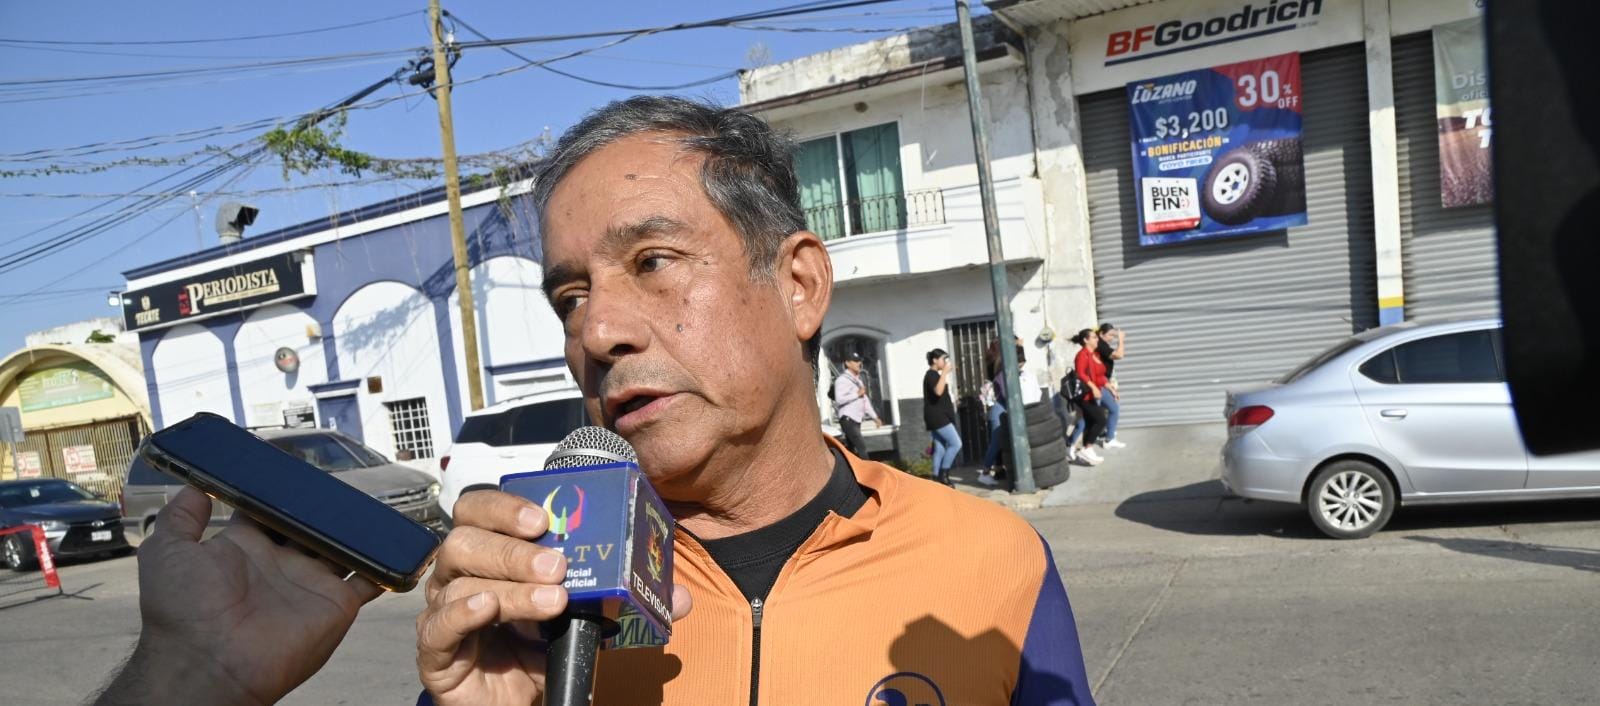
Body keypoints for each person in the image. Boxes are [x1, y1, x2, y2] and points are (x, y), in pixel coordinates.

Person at [91, 96, 1095, 706]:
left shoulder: (992, 562)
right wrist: (194, 680)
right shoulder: (534, 608)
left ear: (797, 283)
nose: (597, 330)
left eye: (651, 261)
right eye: (569, 295)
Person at [1069, 328, 1111, 465]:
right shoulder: (1082, 355)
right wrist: (1093, 387)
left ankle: (1087, 450)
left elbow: (1098, 375)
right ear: (1086, 340)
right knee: (1101, 420)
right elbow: (1080, 373)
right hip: (1084, 395)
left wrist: (1109, 387)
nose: (1097, 339)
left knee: (1090, 422)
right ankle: (1085, 448)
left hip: (1092, 394)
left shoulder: (1092, 355)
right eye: (1094, 337)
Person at [922, 348, 962, 487]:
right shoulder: (931, 375)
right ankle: (943, 476)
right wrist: (944, 372)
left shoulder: (934, 375)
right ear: (935, 360)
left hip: (937, 417)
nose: (945, 362)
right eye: (943, 359)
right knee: (956, 443)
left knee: (940, 448)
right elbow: (938, 391)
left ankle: (935, 478)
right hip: (938, 418)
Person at [832, 351, 881, 457]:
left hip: (856, 419)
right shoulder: (842, 380)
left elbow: (865, 401)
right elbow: (839, 400)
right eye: (855, 361)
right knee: (861, 447)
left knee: (851, 449)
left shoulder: (858, 380)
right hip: (848, 418)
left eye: (859, 361)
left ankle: (849, 467)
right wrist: (857, 394)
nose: (859, 363)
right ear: (847, 363)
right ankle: (866, 467)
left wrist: (875, 417)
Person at [1096, 323, 1127, 449]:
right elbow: (1119, 355)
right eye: (1110, 335)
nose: (1112, 338)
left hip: (1104, 382)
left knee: (1103, 410)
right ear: (1101, 334)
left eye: (1113, 336)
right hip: (1100, 383)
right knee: (1113, 409)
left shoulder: (1102, 344)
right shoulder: (1101, 345)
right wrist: (1121, 340)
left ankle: (1106, 433)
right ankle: (1108, 439)